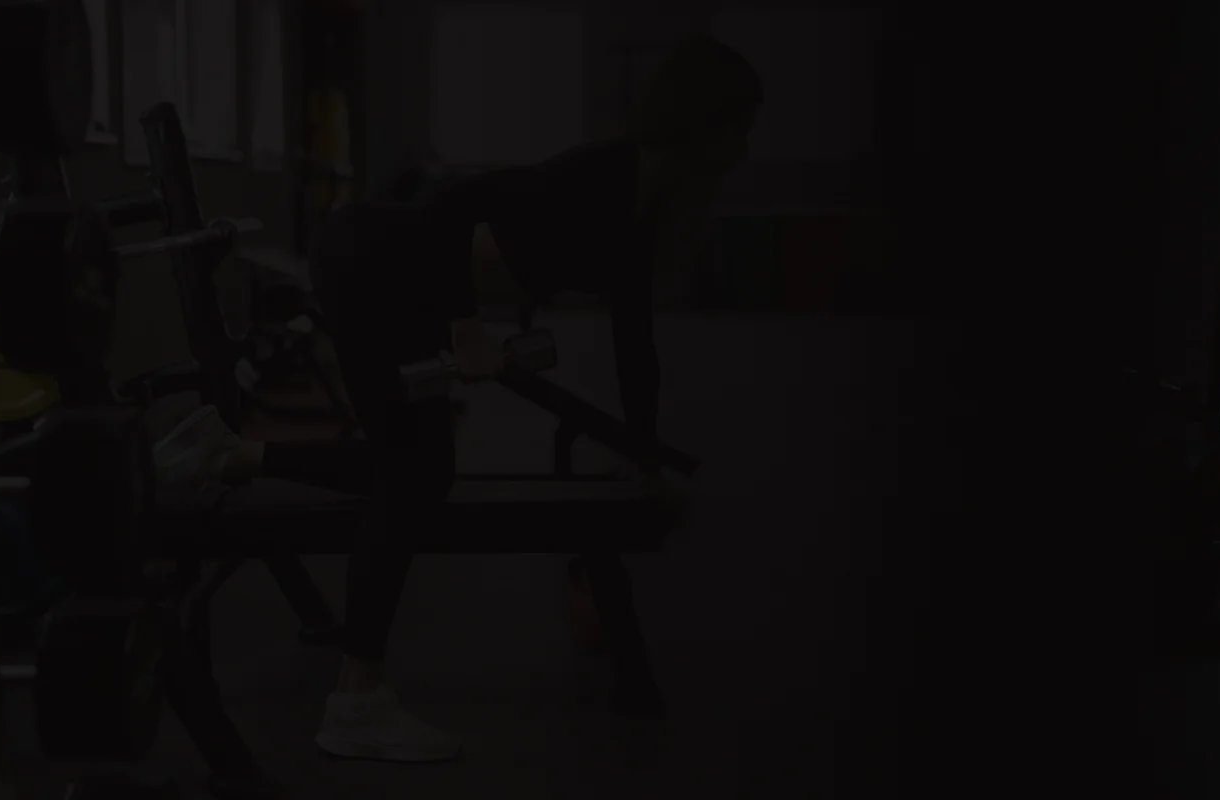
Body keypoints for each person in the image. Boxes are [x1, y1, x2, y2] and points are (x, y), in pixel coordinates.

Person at [147, 35, 763, 762]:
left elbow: (637, 349)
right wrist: (469, 329)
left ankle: (233, 453)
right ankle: (357, 696)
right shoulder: (605, 174)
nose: (747, 145)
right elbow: (449, 205)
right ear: (709, 123)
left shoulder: (640, 211)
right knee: (412, 475)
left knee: (413, 470)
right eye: (743, 126)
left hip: (393, 283)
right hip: (374, 261)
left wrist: (647, 458)